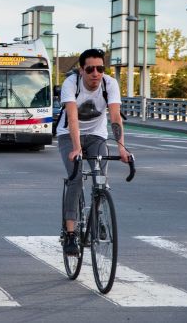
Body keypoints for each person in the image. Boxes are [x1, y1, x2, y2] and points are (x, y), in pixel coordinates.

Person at [56, 48, 130, 256]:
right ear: (82, 70)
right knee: (76, 178)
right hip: (69, 135)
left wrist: (122, 147)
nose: (96, 73)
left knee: (101, 179)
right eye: (90, 69)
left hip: (97, 135)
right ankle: (70, 234)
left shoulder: (109, 84)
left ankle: (97, 218)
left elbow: (115, 117)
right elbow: (72, 118)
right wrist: (77, 148)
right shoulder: (71, 84)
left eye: (100, 68)